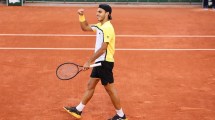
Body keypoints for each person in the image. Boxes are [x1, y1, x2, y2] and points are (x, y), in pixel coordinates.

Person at [63, 4, 128, 120]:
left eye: (100, 12)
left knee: (110, 89)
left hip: (104, 62)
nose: (97, 14)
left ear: (107, 13)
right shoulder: (100, 26)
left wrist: (88, 61)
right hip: (99, 62)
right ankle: (78, 110)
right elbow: (85, 27)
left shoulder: (107, 27)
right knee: (90, 85)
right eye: (97, 12)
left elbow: (104, 48)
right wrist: (81, 16)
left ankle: (121, 115)